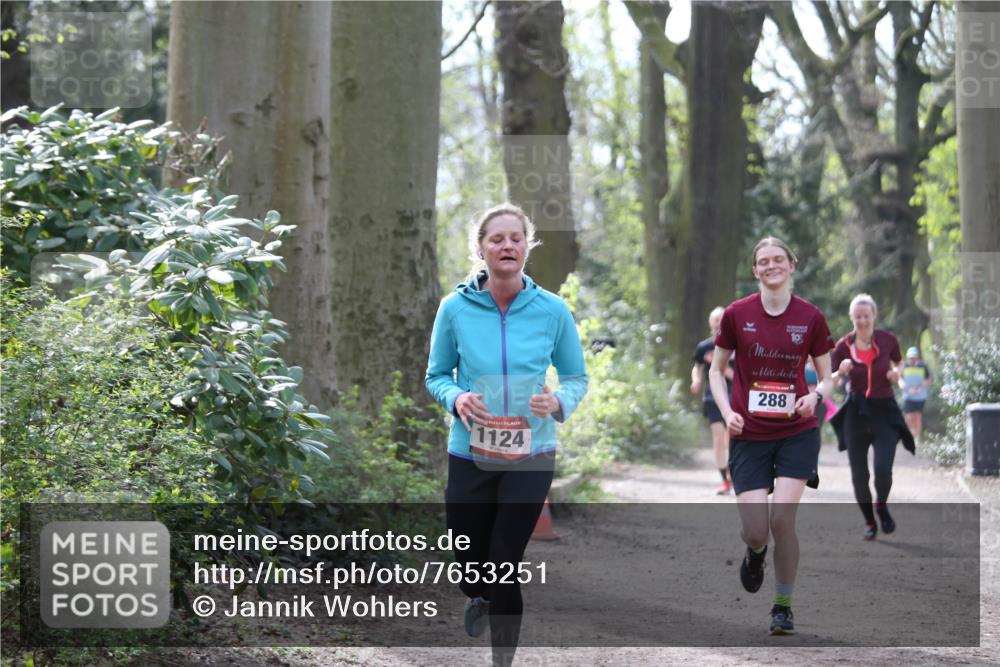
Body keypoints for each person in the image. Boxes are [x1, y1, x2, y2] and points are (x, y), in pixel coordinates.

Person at [425, 203, 588, 666]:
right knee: (470, 564)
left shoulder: (552, 310)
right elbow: (436, 375)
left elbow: (575, 377)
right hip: (470, 452)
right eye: (496, 239)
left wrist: (558, 402)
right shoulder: (454, 308)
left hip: (531, 452)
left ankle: (502, 660)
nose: (507, 246)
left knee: (504, 561)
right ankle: (477, 596)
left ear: (527, 247)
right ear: (480, 248)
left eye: (516, 238)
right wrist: (457, 398)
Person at [708, 236, 834, 636]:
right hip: (749, 434)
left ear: (792, 265)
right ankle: (755, 551)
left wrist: (815, 396)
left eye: (778, 259)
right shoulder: (736, 314)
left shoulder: (810, 317)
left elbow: (828, 378)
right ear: (755, 270)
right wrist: (727, 412)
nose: (771, 265)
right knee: (756, 529)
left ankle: (782, 607)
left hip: (797, 431)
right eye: (763, 261)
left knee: (782, 519)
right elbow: (716, 370)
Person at [829, 294, 915, 541]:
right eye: (857, 317)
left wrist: (896, 374)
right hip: (855, 413)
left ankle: (881, 505)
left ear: (874, 316)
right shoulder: (843, 346)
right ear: (851, 318)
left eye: (866, 316)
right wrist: (839, 372)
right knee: (859, 476)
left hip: (884, 412)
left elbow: (899, 364)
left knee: (883, 471)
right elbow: (831, 382)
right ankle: (869, 520)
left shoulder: (888, 340)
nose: (862, 321)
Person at [691, 306, 735, 494]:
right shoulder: (704, 347)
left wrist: (720, 366)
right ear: (710, 323)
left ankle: (733, 471)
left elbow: (739, 377)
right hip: (712, 397)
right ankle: (724, 480)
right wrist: (696, 380)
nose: (719, 323)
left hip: (734, 397)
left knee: (731, 438)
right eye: (716, 320)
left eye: (722, 319)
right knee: (718, 437)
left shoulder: (737, 346)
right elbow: (697, 367)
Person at [900, 346, 932, 439]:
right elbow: (900, 378)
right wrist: (902, 384)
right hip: (908, 395)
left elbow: (929, 379)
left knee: (917, 417)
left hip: (920, 396)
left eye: (914, 357)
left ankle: (915, 438)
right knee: (908, 417)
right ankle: (909, 435)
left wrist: (924, 383)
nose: (912, 360)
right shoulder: (905, 366)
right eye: (911, 358)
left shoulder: (923, 366)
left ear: (917, 357)